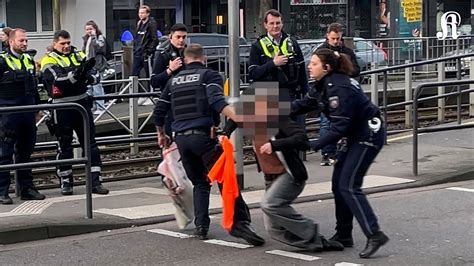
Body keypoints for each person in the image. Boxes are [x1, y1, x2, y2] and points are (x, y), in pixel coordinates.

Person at [154, 44, 264, 246]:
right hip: (203, 138)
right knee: (226, 179)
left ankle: (201, 226)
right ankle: (239, 223)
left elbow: (159, 112)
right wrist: (242, 117)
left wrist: (161, 135)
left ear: (185, 60)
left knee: (199, 182)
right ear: (203, 58)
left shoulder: (173, 81)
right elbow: (217, 102)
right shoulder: (209, 76)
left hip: (181, 140)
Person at [292, 48, 389, 258]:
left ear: (326, 67)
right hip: (355, 134)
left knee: (349, 185)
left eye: (314, 63)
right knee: (338, 184)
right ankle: (344, 235)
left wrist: (313, 145)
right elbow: (301, 105)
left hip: (368, 134)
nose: (309, 66)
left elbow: (339, 127)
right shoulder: (322, 85)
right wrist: (270, 111)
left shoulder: (339, 87)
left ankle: (375, 234)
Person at [237, 84, 343, 252]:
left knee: (269, 204)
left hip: (289, 175)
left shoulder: (278, 119)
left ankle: (312, 232)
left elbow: (301, 138)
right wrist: (222, 133)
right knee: (274, 230)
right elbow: (233, 120)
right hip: (270, 179)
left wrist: (275, 145)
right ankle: (314, 243)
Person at [41, 30, 109, 196]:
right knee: (64, 145)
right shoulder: (49, 60)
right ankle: (66, 181)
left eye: (68, 43)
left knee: (90, 143)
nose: (66, 46)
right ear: (55, 43)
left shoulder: (78, 55)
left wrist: (87, 77)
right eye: (63, 44)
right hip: (62, 106)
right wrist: (78, 76)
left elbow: (95, 73)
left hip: (82, 103)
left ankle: (95, 182)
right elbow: (58, 81)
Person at [248, 9, 309, 183]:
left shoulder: (292, 43)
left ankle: (293, 174)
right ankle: (274, 176)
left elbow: (301, 71)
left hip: (291, 96)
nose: (275, 26)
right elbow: (253, 73)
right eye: (272, 23)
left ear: (282, 23)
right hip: (268, 98)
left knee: (294, 136)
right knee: (272, 138)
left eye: (278, 23)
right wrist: (272, 64)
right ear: (265, 25)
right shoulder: (258, 46)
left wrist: (306, 96)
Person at [0, 28, 46, 204]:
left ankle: (26, 188)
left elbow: (33, 86)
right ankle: (2, 191)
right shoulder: (2, 61)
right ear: (11, 42)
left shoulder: (28, 59)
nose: (25, 43)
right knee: (5, 153)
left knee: (26, 151)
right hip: (8, 113)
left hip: (27, 111)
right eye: (21, 41)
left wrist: (37, 108)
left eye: (26, 40)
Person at [317, 22, 360, 166]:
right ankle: (327, 153)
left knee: (342, 121)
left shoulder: (347, 51)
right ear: (327, 36)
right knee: (326, 123)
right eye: (333, 38)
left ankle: (338, 151)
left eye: (338, 39)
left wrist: (344, 67)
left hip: (343, 91)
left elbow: (356, 70)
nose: (336, 42)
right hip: (327, 90)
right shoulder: (321, 51)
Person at [151, 23, 187, 136]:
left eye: (184, 37)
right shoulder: (162, 54)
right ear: (171, 37)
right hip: (170, 102)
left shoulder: (187, 52)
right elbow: (154, 81)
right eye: (178, 37)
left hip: (186, 101)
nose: (181, 40)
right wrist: (170, 70)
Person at [133, 5, 158, 106]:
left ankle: (150, 95)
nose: (140, 15)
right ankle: (139, 95)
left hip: (146, 53)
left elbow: (154, 38)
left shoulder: (151, 23)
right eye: (139, 13)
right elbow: (137, 38)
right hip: (137, 53)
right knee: (134, 75)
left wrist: (149, 51)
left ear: (147, 13)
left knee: (149, 74)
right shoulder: (139, 23)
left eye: (143, 13)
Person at [82, 20, 107, 115]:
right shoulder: (86, 39)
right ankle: (94, 106)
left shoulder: (99, 38)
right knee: (89, 87)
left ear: (95, 29)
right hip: (89, 65)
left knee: (97, 86)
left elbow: (100, 48)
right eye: (87, 29)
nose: (89, 31)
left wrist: (93, 38)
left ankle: (101, 107)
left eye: (91, 29)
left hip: (97, 64)